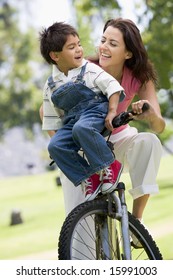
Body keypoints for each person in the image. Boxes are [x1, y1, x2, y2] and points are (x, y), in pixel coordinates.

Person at [39, 18, 165, 224]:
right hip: (83, 145)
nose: (104, 48)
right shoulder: (84, 68)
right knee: (80, 228)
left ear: (128, 53)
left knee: (149, 142)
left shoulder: (139, 76)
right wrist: (69, 150)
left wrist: (149, 114)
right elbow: (46, 111)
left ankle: (137, 220)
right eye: (103, 40)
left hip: (119, 139)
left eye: (112, 44)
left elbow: (159, 126)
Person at [39, 22, 126, 202]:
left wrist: (111, 112)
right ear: (55, 55)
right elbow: (51, 120)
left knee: (81, 128)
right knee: (55, 146)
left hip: (96, 110)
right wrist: (64, 147)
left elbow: (113, 87)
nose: (79, 50)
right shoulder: (51, 85)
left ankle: (110, 165)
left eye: (79, 44)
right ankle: (90, 178)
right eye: (72, 47)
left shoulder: (89, 69)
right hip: (73, 121)